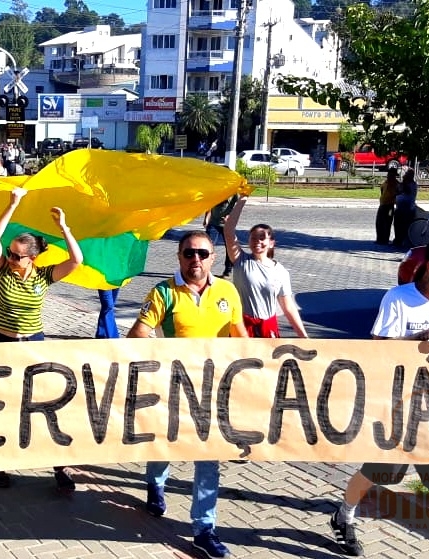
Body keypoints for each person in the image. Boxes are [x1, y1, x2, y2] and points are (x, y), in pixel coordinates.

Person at [330, 236, 429, 559]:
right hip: (397, 406)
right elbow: (379, 350)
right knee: (377, 474)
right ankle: (344, 514)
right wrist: (426, 335)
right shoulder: (398, 299)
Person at [128, 230, 247, 559]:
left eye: (203, 254)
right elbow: (139, 331)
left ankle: (203, 529)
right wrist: (146, 342)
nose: (196, 260)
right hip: (172, 386)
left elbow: (240, 335)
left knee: (208, 459)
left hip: (213, 389)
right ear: (179, 256)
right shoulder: (164, 293)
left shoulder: (228, 291)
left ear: (212, 256)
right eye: (189, 253)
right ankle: (155, 483)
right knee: (163, 443)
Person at [0, 187, 83, 493]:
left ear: (32, 258)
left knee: (44, 404)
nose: (11, 257)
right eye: (10, 253)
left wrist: (64, 228)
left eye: (17, 255)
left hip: (35, 343)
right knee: (3, 404)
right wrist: (12, 204)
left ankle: (59, 465)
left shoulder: (44, 276)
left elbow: (77, 260)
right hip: (4, 342)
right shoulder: (2, 271)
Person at [223, 197, 309, 338]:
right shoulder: (241, 261)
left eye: (262, 238)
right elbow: (228, 230)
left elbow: (288, 307)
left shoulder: (281, 272)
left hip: (268, 329)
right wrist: (243, 198)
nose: (257, 241)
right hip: (242, 327)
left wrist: (304, 336)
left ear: (271, 243)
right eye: (253, 238)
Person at [203, 194, 238, 277]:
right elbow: (210, 205)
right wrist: (206, 218)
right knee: (207, 247)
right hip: (213, 223)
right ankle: (204, 269)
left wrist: (231, 216)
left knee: (229, 248)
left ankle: (228, 271)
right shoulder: (217, 191)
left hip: (227, 224)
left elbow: (237, 206)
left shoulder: (234, 192)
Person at [393, 168, 418, 247]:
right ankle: (397, 239)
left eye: (407, 174)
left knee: (405, 225)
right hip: (399, 208)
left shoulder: (412, 184)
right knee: (397, 224)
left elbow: (407, 191)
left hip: (408, 208)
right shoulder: (403, 183)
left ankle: (404, 240)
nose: (405, 175)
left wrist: (403, 183)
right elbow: (397, 191)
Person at [376, 168, 398, 245]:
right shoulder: (385, 182)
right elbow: (381, 190)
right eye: (389, 174)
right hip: (383, 205)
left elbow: (397, 194)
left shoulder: (396, 184)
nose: (389, 176)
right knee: (379, 222)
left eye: (391, 174)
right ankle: (379, 238)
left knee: (387, 222)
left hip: (390, 206)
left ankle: (385, 239)